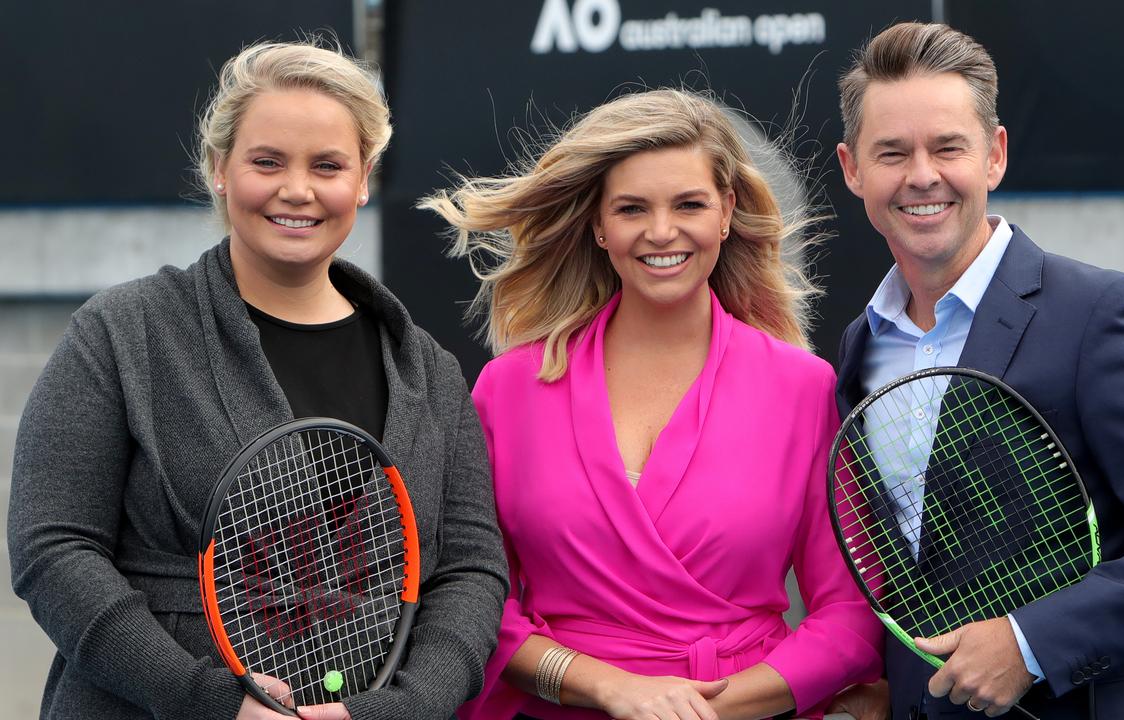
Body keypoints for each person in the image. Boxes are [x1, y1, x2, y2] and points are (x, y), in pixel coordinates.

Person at [7, 40, 507, 720]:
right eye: (266, 161)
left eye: (327, 165)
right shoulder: (122, 331)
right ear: (219, 168)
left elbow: (471, 571)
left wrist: (407, 706)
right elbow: (52, 549)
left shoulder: (428, 371)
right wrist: (205, 698)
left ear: (362, 180)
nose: (296, 190)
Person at [832, 21, 1124, 720]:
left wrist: (1030, 643)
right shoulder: (860, 348)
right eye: (893, 153)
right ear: (853, 168)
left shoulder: (1104, 313)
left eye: (948, 147)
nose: (921, 175)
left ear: (995, 155)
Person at [421, 88, 885, 720]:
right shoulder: (508, 389)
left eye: (688, 204)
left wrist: (708, 709)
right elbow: (469, 596)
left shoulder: (802, 387)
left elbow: (851, 617)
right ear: (598, 225)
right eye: (632, 208)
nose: (661, 232)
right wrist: (610, 689)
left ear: (725, 212)